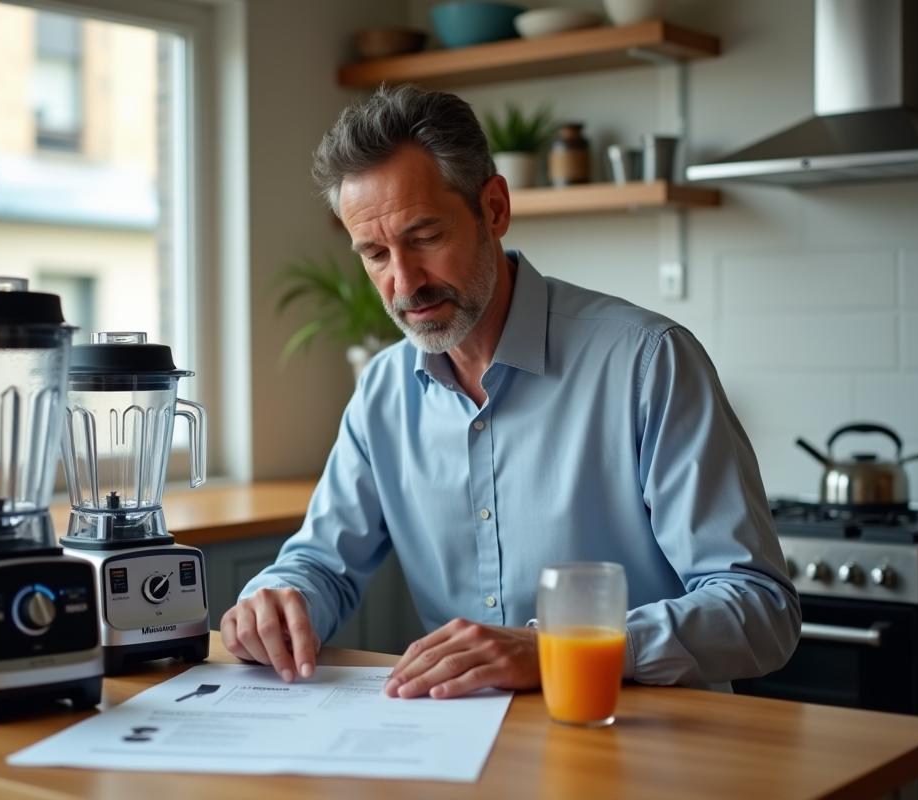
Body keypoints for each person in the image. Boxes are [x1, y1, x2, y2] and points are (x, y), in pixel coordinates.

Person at [221, 84, 800, 700]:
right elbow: (320, 565)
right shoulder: (382, 393)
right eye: (376, 254)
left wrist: (563, 650)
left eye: (424, 237)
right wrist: (276, 602)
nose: (404, 282)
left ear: (494, 209)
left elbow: (759, 608)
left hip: (642, 733)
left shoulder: (648, 362)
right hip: (464, 738)